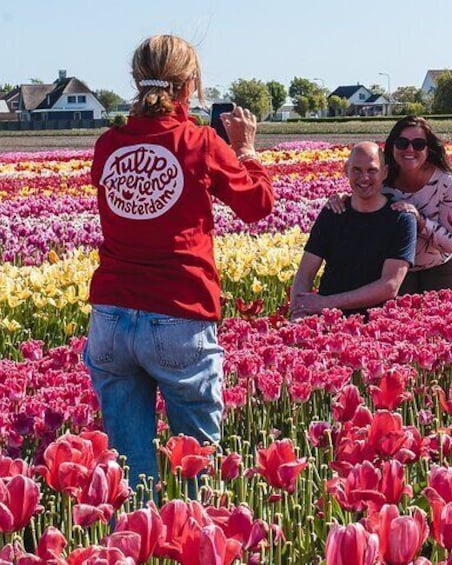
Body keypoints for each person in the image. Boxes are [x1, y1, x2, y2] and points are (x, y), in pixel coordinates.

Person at [84, 34, 274, 496]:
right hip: (179, 310)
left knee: (129, 474)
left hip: (111, 313)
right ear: (191, 85)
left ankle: (136, 541)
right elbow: (258, 205)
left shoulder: (109, 145)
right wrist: (247, 150)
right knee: (196, 471)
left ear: (134, 79)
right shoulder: (200, 142)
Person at [327, 116, 452, 295]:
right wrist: (344, 199)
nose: (410, 149)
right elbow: (363, 196)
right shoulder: (383, 178)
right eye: (402, 143)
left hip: (446, 260)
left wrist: (420, 221)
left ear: (428, 149)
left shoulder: (444, 179)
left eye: (419, 144)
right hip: (400, 264)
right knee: (401, 317)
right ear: (392, 146)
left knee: (445, 316)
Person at [290, 142, 416, 320]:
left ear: (385, 172)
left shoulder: (400, 219)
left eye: (372, 170)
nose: (364, 178)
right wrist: (299, 311)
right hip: (328, 320)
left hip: (376, 324)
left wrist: (326, 303)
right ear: (346, 170)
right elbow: (306, 272)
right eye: (356, 170)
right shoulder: (333, 213)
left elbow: (390, 285)